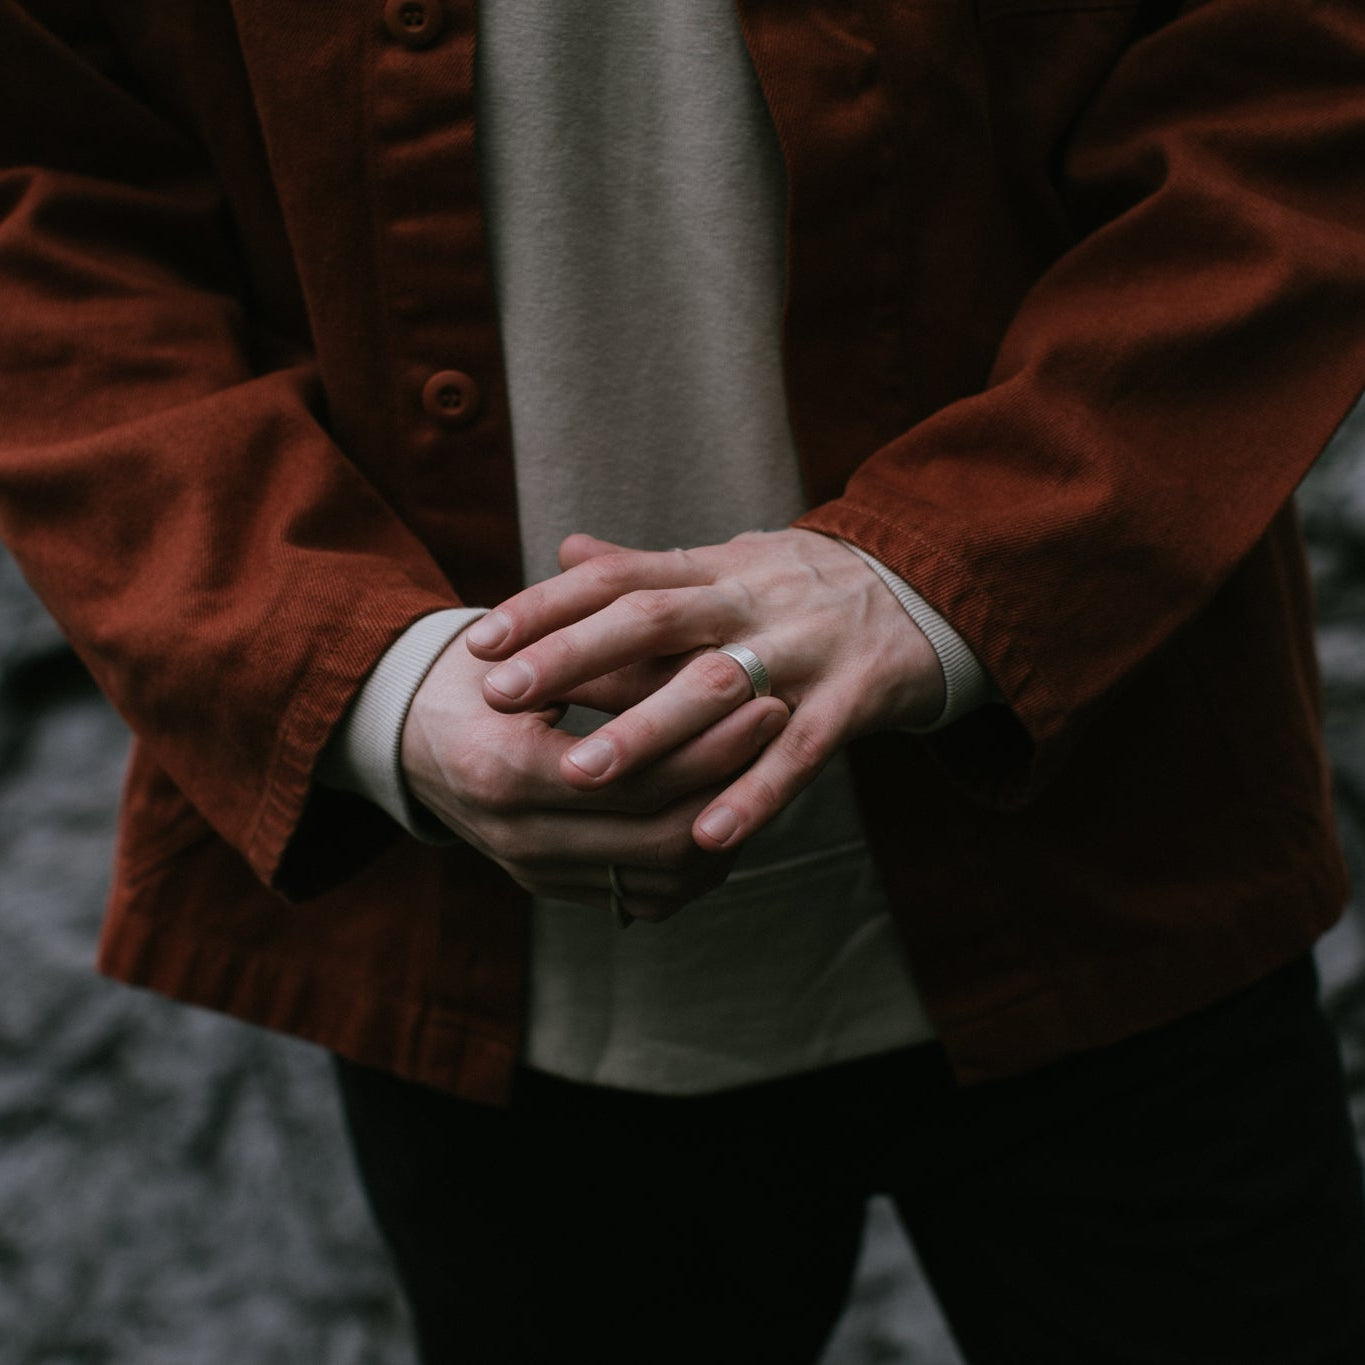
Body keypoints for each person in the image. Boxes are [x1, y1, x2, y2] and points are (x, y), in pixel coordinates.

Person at [3, 0, 1365, 1361]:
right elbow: (45, 198)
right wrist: (373, 684)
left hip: (1115, 836)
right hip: (483, 931)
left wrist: (956, 567)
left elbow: (1292, 96)